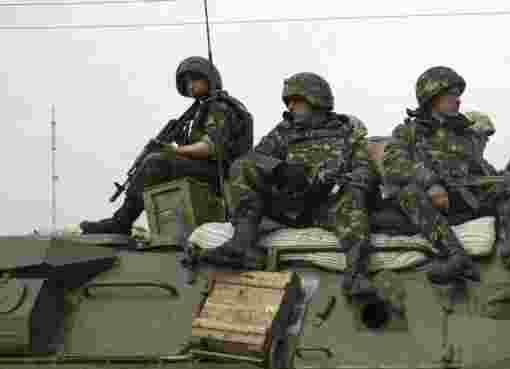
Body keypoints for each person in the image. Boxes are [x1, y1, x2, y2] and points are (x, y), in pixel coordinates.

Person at [200, 72, 376, 299]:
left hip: (327, 207)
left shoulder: (348, 135)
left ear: (315, 99)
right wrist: (281, 170)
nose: (290, 106)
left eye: (296, 100)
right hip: (286, 204)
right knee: (242, 166)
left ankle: (356, 277)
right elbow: (255, 158)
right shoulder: (283, 132)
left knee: (354, 197)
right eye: (288, 102)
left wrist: (332, 182)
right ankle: (242, 245)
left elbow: (365, 172)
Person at [380, 66, 510, 284]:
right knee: (407, 192)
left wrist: (509, 179)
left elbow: (482, 170)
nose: (458, 101)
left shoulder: (463, 134)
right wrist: (431, 183)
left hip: (466, 198)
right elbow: (392, 163)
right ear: (432, 97)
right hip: (431, 203)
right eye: (451, 95)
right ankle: (456, 256)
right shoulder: (407, 132)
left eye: (458, 96)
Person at [80, 56, 253, 235]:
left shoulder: (219, 106)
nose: (190, 85)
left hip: (222, 175)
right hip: (210, 172)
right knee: (155, 161)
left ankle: (121, 222)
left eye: (194, 79)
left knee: (156, 163)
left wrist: (173, 150)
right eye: (186, 83)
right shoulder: (197, 111)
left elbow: (210, 147)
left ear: (209, 79)